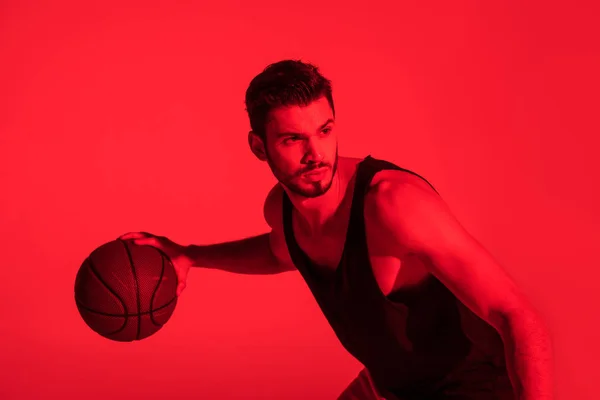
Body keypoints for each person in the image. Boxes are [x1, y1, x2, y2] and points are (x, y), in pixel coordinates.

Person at [120, 60, 553, 399]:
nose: (315, 153)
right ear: (259, 147)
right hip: (390, 387)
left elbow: (517, 316)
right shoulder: (284, 213)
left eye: (324, 131)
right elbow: (278, 252)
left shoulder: (392, 206)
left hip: (475, 393)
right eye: (293, 139)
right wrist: (190, 255)